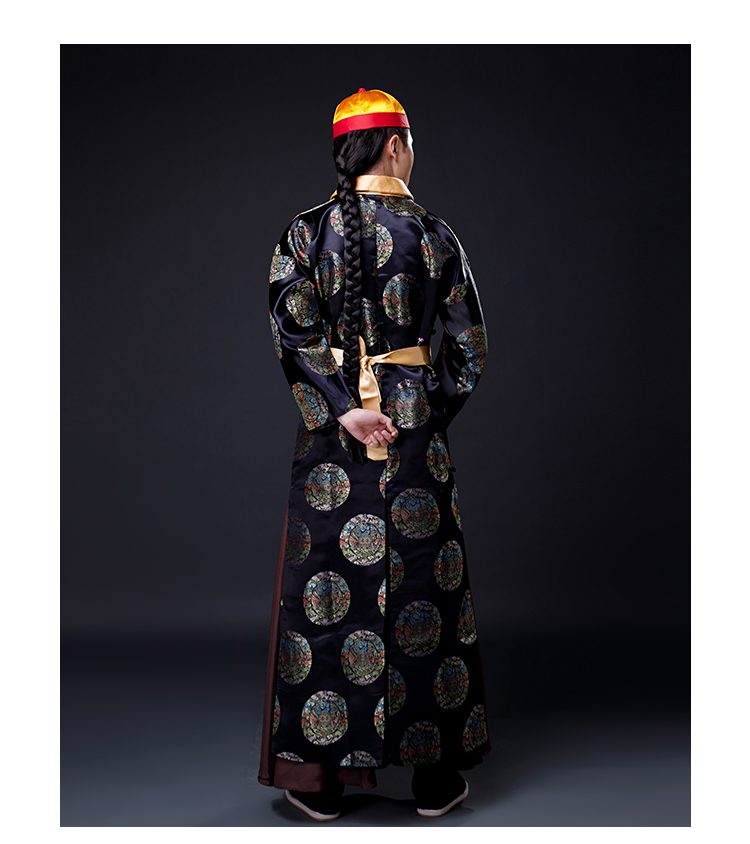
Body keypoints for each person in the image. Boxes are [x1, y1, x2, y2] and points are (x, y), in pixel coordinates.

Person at [258, 88, 491, 821]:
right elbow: (470, 349)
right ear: (395, 146)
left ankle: (317, 783)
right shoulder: (436, 234)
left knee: (326, 596)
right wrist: (422, 411)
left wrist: (343, 409)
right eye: (410, 142)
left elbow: (291, 334)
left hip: (334, 445)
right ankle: (434, 780)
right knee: (427, 593)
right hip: (412, 436)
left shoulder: (303, 233)